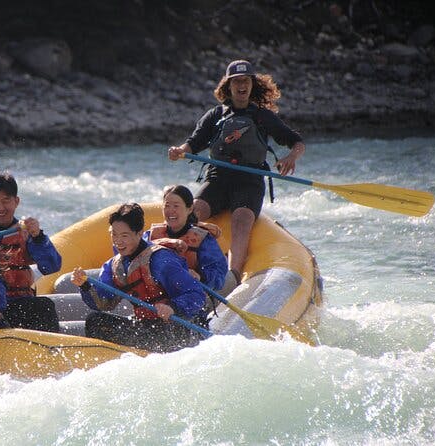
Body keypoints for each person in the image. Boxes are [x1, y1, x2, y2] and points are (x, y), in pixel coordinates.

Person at [168, 59, 305, 283]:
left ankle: (232, 276)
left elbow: (296, 141)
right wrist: (179, 151)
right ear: (228, 86)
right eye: (237, 81)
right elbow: (193, 143)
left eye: (246, 81)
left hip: (250, 180)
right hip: (218, 178)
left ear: (252, 85)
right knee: (193, 213)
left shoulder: (262, 116)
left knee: (241, 219)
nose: (242, 85)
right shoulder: (215, 115)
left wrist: (291, 157)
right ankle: (176, 264)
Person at [70, 203, 207, 353]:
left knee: (165, 332)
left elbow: (196, 295)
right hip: (148, 327)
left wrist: (172, 307)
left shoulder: (161, 260)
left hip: (178, 326)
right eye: (114, 234)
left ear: (139, 233)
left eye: (124, 235)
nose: (118, 241)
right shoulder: (113, 266)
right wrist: (84, 286)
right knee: (95, 321)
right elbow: (104, 304)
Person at [0, 172, 62, 332]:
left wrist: (38, 237)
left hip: (19, 302)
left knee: (45, 306)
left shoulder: (27, 232)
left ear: (16, 201)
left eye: (6, 201)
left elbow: (51, 267)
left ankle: (49, 353)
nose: (0, 208)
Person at [144, 184, 228, 291]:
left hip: (194, 291)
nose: (171, 210)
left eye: (176, 206)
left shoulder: (202, 239)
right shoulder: (149, 236)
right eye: (167, 205)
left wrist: (200, 277)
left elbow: (218, 273)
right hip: (159, 293)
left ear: (189, 209)